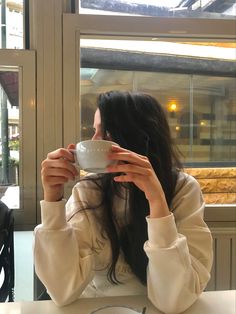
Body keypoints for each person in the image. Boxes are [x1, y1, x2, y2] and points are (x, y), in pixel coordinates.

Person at [34, 91, 213, 314]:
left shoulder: (183, 189)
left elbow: (173, 301)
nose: (94, 140)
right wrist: (52, 199)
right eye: (94, 130)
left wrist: (157, 202)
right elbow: (62, 291)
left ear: (138, 136)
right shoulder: (89, 191)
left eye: (106, 132)